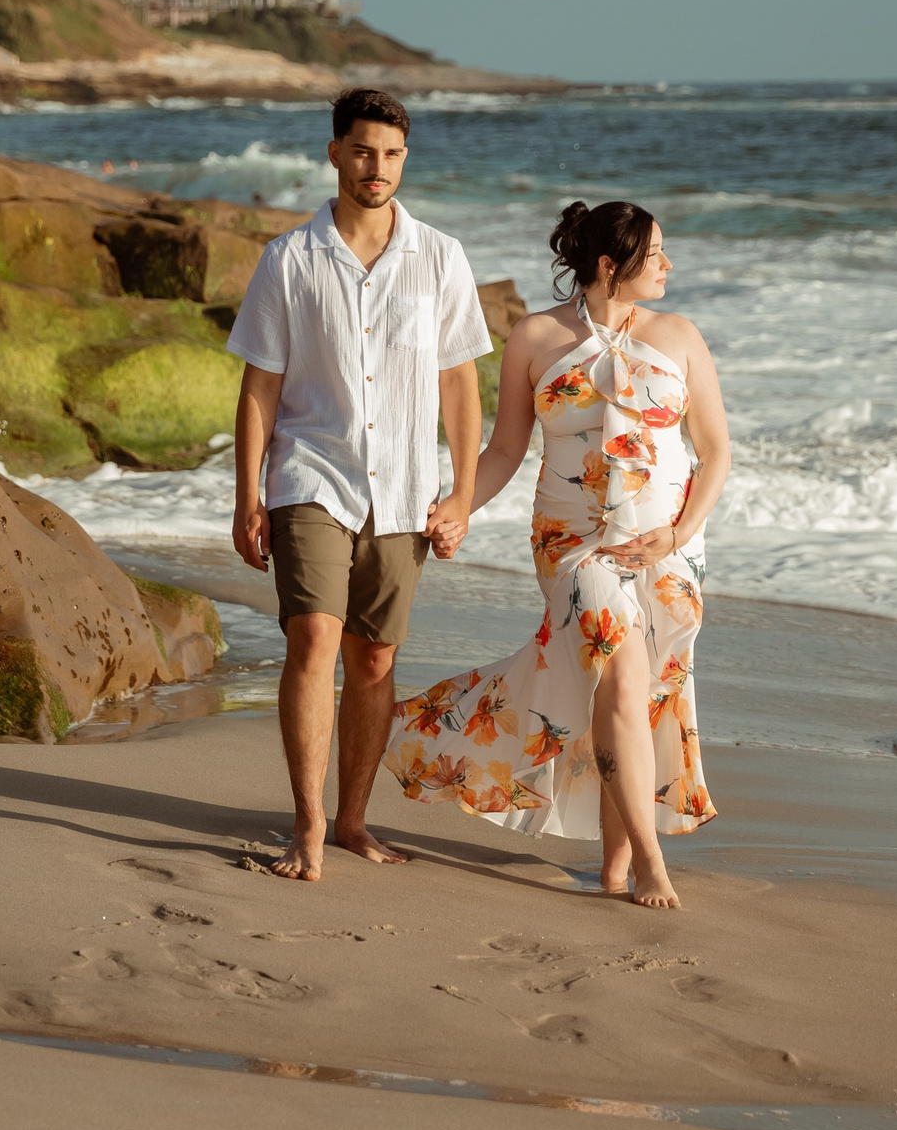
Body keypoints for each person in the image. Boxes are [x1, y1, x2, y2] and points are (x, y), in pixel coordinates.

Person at [386, 201, 731, 909]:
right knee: (622, 666)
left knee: (635, 694)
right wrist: (457, 506)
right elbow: (508, 448)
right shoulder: (536, 337)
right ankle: (651, 865)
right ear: (610, 265)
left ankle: (614, 862)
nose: (668, 264)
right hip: (573, 546)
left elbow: (717, 450)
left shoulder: (682, 335)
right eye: (656, 252)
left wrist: (679, 528)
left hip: (670, 544)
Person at [227, 88, 493, 881]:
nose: (377, 168)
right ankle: (307, 827)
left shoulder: (440, 258)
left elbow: (460, 387)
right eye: (363, 151)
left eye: (391, 154)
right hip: (312, 472)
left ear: (404, 159)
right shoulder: (290, 259)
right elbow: (259, 388)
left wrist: (462, 495)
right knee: (313, 636)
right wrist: (248, 494)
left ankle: (351, 820)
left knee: (374, 658)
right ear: (335, 152)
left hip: (406, 487)